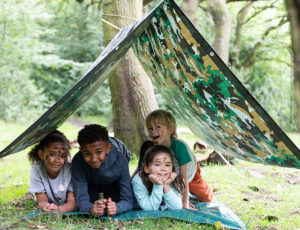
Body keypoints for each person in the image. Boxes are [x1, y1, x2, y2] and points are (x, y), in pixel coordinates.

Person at [145, 109, 213, 208]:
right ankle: (182, 195)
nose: (153, 131)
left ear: (170, 130)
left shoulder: (180, 147)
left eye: (158, 127)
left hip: (190, 173)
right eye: (150, 128)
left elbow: (184, 179)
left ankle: (201, 191)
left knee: (207, 198)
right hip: (171, 174)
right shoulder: (153, 149)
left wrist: (185, 203)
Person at [71, 124, 133, 216]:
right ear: (80, 150)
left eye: (99, 152)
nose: (94, 159)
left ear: (108, 148)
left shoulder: (120, 161)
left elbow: (128, 200)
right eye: (87, 154)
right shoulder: (78, 162)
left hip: (114, 186)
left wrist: (117, 207)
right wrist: (91, 208)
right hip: (93, 186)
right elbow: (80, 198)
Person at [28, 130, 75, 212]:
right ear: (41, 154)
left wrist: (58, 209)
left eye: (62, 156)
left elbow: (72, 202)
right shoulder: (36, 169)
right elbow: (42, 200)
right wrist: (47, 207)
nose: (57, 160)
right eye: (52, 154)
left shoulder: (70, 170)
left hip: (63, 206)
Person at [132, 145, 184, 210]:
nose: (163, 169)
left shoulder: (173, 178)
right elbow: (150, 209)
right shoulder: (138, 181)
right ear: (146, 168)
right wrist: (158, 185)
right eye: (157, 164)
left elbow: (177, 208)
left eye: (167, 165)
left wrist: (166, 185)